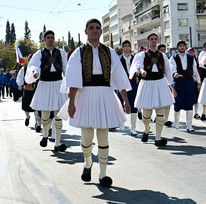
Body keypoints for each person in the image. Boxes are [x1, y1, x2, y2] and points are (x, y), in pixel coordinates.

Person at [60, 19, 131, 187]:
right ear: (86, 31)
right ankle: (87, 163)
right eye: (91, 28)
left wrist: (125, 101)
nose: (94, 30)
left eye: (97, 28)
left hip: (105, 94)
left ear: (101, 32)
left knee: (103, 136)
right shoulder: (78, 52)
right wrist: (71, 102)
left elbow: (119, 77)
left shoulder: (110, 52)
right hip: (85, 95)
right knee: (86, 137)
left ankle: (103, 174)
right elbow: (73, 79)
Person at [130, 33, 176, 146]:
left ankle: (158, 138)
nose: (154, 41)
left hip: (160, 83)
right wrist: (141, 71)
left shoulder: (163, 56)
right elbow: (137, 65)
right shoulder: (142, 55)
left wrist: (172, 88)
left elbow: (168, 73)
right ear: (148, 41)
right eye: (151, 39)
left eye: (155, 39)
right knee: (147, 114)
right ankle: (146, 130)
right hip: (147, 84)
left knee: (161, 112)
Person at [25, 30, 68, 151]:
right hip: (44, 83)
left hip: (58, 84)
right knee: (44, 113)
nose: (50, 39)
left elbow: (66, 68)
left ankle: (58, 143)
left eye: (52, 37)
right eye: (48, 37)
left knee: (58, 114)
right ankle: (45, 135)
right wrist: (35, 72)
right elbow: (33, 66)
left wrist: (70, 84)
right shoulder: (39, 53)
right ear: (44, 39)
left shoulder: (61, 53)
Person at [170, 41, 201, 133]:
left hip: (189, 83)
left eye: (183, 46)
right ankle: (176, 123)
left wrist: (199, 82)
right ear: (178, 47)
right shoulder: (173, 57)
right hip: (178, 83)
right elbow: (172, 67)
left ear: (185, 47)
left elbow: (195, 70)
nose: (182, 47)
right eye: (180, 46)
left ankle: (189, 126)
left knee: (189, 103)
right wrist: (174, 73)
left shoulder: (191, 58)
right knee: (177, 103)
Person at [118, 40, 138, 135]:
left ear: (130, 47)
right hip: (122, 84)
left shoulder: (135, 58)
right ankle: (122, 122)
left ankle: (133, 128)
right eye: (125, 46)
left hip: (133, 83)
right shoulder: (118, 59)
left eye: (128, 46)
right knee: (121, 103)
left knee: (134, 104)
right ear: (122, 48)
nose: (126, 47)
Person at [17, 54, 39, 127]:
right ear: (28, 60)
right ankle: (27, 117)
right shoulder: (24, 69)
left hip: (35, 91)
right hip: (26, 90)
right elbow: (20, 77)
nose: (30, 61)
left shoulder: (38, 69)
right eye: (29, 60)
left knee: (36, 107)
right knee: (26, 107)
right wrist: (20, 85)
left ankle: (37, 122)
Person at [157, 44, 172, 127]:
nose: (163, 51)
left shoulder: (167, 59)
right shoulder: (156, 59)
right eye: (161, 49)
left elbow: (168, 72)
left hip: (166, 83)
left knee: (167, 102)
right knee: (159, 102)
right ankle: (158, 117)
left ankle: (165, 119)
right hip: (158, 83)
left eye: (164, 49)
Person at [198, 42, 206, 121]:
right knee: (205, 96)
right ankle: (204, 113)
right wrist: (200, 81)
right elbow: (200, 67)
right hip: (204, 78)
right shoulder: (202, 54)